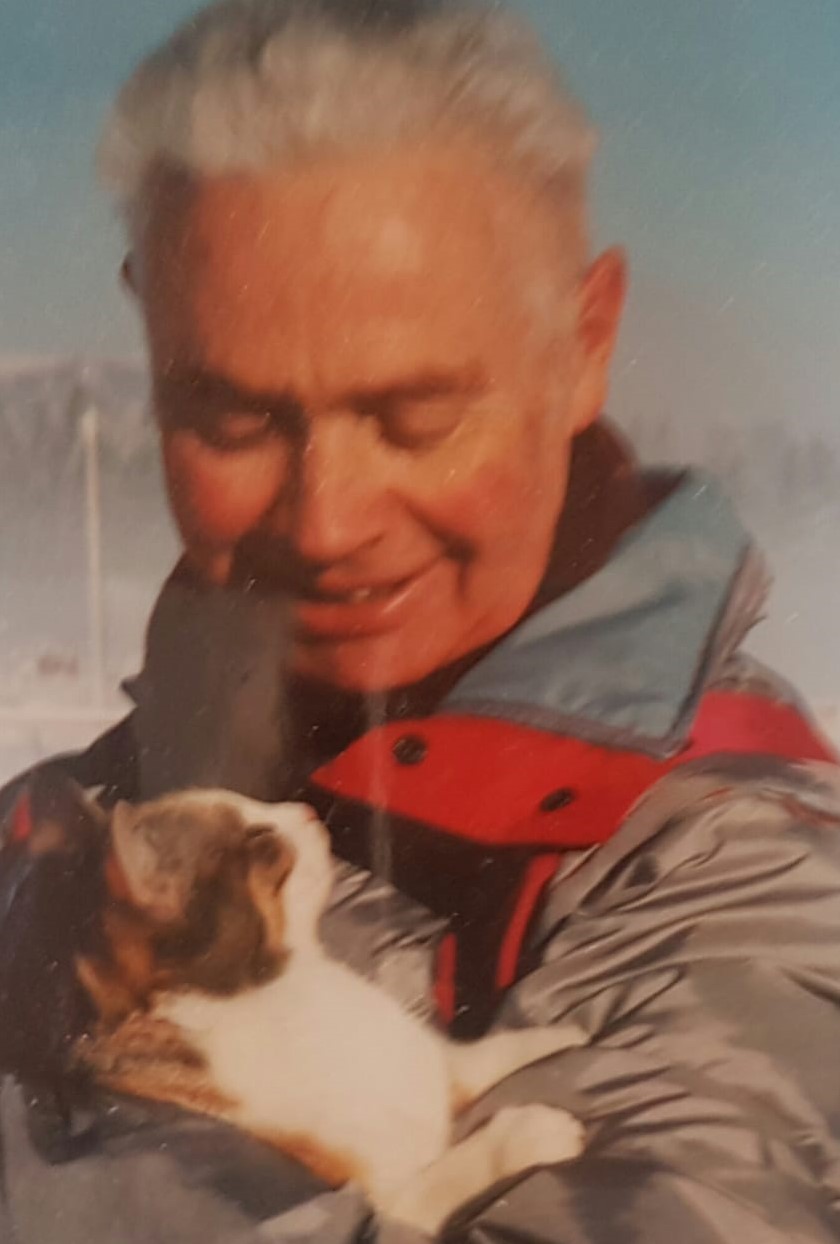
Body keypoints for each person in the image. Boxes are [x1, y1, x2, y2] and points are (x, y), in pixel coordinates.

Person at [3, 0, 840, 1240]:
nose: (328, 520)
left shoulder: (736, 864)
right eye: (232, 417)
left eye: (417, 415)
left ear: (584, 344)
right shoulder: (83, 814)